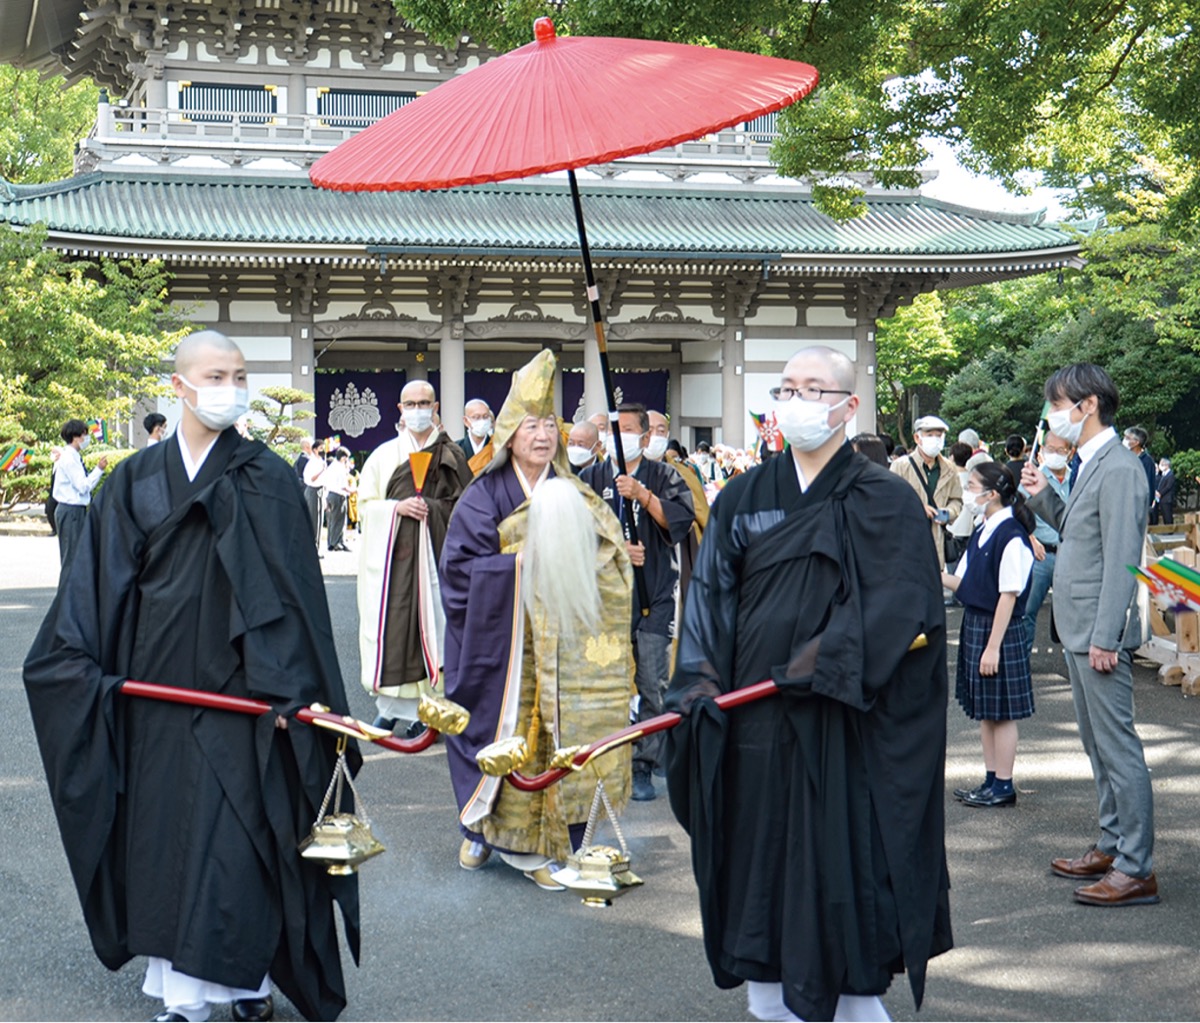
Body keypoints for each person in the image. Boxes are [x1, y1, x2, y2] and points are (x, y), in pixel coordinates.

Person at [24, 331, 360, 1023]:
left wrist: (296, 694)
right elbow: (94, 588)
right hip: (157, 694)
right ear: (179, 386)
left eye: (238, 375)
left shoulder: (269, 477)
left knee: (241, 840)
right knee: (166, 840)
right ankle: (183, 996)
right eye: (215, 375)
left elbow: (299, 601)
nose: (230, 387)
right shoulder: (133, 480)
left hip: (246, 694)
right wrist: (76, 669)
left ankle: (247, 985)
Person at [665, 346, 952, 1022]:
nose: (795, 401)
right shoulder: (742, 497)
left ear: (848, 406)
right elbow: (708, 602)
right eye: (786, 388)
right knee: (761, 898)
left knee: (839, 897)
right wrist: (697, 687)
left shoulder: (887, 499)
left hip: (844, 730)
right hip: (755, 733)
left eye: (813, 389)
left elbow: (905, 608)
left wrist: (823, 659)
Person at [439, 350, 633, 890]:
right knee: (497, 736)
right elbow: (458, 573)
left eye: (550, 423)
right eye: (531, 425)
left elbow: (609, 560)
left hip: (562, 653)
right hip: (504, 653)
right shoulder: (482, 497)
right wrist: (521, 566)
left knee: (557, 745)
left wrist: (608, 560)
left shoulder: (579, 495)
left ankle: (543, 847)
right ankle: (482, 829)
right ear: (509, 434)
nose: (543, 434)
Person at [1022, 363, 1157, 907]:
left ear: (1089, 404)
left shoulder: (1120, 467)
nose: (1054, 415)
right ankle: (1111, 843)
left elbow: (1123, 556)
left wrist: (1106, 636)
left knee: (1117, 747)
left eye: (1059, 404)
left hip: (1097, 632)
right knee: (1096, 744)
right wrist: (1043, 494)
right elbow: (1080, 533)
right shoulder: (1089, 462)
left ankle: (1136, 866)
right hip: (1079, 626)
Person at [581, 403, 696, 802]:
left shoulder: (664, 476)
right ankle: (607, 759)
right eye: (616, 430)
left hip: (654, 595)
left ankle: (644, 763)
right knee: (607, 682)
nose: (620, 437)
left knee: (652, 681)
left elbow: (678, 522)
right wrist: (615, 551)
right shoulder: (591, 478)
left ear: (645, 438)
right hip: (606, 599)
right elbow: (576, 534)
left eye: (629, 430)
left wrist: (643, 495)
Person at [356, 379, 472, 737]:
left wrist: (433, 509)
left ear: (435, 408)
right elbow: (365, 507)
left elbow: (467, 507)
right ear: (400, 410)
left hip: (438, 559)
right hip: (397, 562)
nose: (418, 410)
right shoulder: (383, 456)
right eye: (411, 404)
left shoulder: (452, 455)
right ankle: (391, 708)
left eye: (424, 403)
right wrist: (396, 508)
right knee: (396, 631)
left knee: (437, 628)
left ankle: (432, 710)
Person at [942, 462, 1036, 808]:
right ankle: (991, 779)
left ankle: (1004, 785)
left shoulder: (1011, 535)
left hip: (999, 630)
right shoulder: (983, 529)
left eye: (971, 486)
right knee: (986, 710)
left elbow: (1008, 596)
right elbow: (965, 582)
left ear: (992, 494)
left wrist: (993, 647)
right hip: (977, 624)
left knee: (1002, 712)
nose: (967, 493)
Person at [1019, 431, 1074, 655]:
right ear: (1041, 450)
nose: (1055, 454)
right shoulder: (1031, 479)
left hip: (1070, 556)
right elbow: (1017, 516)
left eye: (1061, 450)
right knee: (1027, 610)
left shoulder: (1078, 478)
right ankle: (1021, 661)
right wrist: (1031, 539)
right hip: (1040, 556)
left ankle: (1074, 663)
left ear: (1071, 453)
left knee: (1073, 613)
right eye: (1050, 449)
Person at [891, 415, 964, 581]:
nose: (935, 440)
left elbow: (957, 500)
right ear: (917, 438)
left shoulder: (950, 468)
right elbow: (890, 501)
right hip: (907, 543)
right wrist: (917, 509)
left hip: (936, 543)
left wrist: (948, 512)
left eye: (939, 435)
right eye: (930, 435)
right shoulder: (901, 466)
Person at [51, 419, 108, 568]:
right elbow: (83, 486)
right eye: (84, 435)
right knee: (72, 559)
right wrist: (99, 470)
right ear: (75, 437)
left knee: (74, 556)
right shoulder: (69, 458)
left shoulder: (69, 455)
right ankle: (68, 584)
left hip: (72, 510)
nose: (86, 438)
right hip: (71, 510)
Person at [323, 447, 354, 552]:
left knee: (332, 520)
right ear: (343, 458)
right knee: (339, 520)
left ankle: (332, 542)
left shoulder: (332, 466)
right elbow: (343, 485)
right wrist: (352, 491)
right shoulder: (340, 468)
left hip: (330, 494)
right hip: (338, 495)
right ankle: (337, 542)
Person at [301, 439, 327, 546]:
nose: (323, 450)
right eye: (321, 448)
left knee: (320, 520)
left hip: (320, 490)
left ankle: (317, 546)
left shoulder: (322, 461)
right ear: (315, 450)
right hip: (312, 490)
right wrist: (321, 471)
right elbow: (311, 479)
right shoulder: (311, 462)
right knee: (313, 519)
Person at [1123, 426, 1156, 505]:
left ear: (1136, 442)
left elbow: (1149, 486)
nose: (1124, 440)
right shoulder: (1125, 458)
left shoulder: (1146, 461)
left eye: (1128, 438)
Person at [458, 399, 494, 464]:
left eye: (485, 417)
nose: (482, 421)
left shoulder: (495, 447)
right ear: (466, 421)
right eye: (477, 417)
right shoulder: (455, 449)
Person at [1152, 458, 1176, 525]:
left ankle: (1170, 529)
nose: (1161, 466)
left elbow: (1168, 486)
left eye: (1162, 464)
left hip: (1167, 499)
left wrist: (1160, 493)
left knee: (1168, 516)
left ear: (1167, 465)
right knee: (1165, 516)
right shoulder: (1164, 474)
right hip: (1162, 499)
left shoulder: (1170, 475)